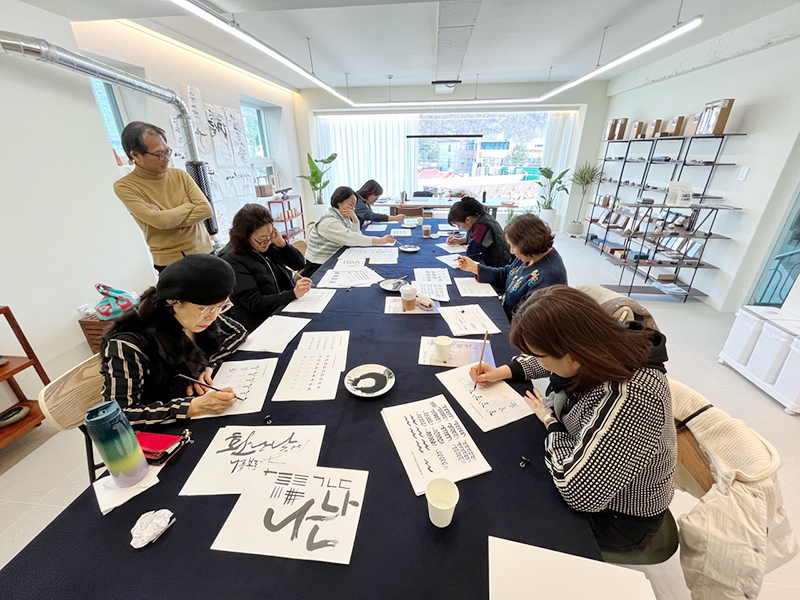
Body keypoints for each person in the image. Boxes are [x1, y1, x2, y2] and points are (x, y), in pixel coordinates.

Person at [471, 285, 676, 551]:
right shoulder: (599, 343)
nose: (538, 362)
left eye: (540, 356)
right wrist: (504, 371)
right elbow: (550, 357)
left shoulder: (635, 397)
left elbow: (580, 493)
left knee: (501, 512)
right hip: (584, 462)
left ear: (573, 357)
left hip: (616, 518)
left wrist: (550, 422)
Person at [100, 254, 248, 428]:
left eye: (221, 307)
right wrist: (192, 407)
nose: (213, 316)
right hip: (163, 429)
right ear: (173, 301)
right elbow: (120, 414)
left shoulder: (200, 314)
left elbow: (238, 333)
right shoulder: (128, 344)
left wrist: (209, 365)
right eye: (205, 309)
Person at [114, 121, 213, 271]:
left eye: (167, 151)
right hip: (171, 262)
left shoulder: (180, 175)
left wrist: (168, 217)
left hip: (206, 251)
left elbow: (206, 210)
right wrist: (189, 205)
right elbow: (161, 221)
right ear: (135, 155)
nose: (166, 159)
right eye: (159, 154)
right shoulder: (125, 186)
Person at [218, 204, 312, 331]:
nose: (267, 242)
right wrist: (292, 294)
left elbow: (299, 265)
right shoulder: (231, 259)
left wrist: (283, 245)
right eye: (262, 239)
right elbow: (255, 302)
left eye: (270, 235)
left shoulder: (268, 244)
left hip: (284, 307)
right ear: (244, 236)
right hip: (261, 323)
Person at [456, 214, 567, 318]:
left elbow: (531, 319)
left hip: (519, 323)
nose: (511, 251)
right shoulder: (531, 254)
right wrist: (475, 268)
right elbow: (508, 273)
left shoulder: (549, 277)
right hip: (507, 313)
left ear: (527, 244)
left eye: (513, 247)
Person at [303, 186, 395, 275]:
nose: (353, 209)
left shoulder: (342, 216)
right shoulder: (329, 222)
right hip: (318, 267)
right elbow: (352, 238)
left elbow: (355, 236)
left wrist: (355, 220)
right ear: (339, 202)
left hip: (331, 259)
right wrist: (380, 241)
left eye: (354, 206)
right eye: (351, 205)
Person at [446, 196, 512, 268]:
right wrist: (459, 241)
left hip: (498, 267)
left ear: (468, 220)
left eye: (458, 225)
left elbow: (472, 252)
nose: (459, 228)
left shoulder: (482, 227)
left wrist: (468, 247)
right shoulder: (481, 217)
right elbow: (475, 238)